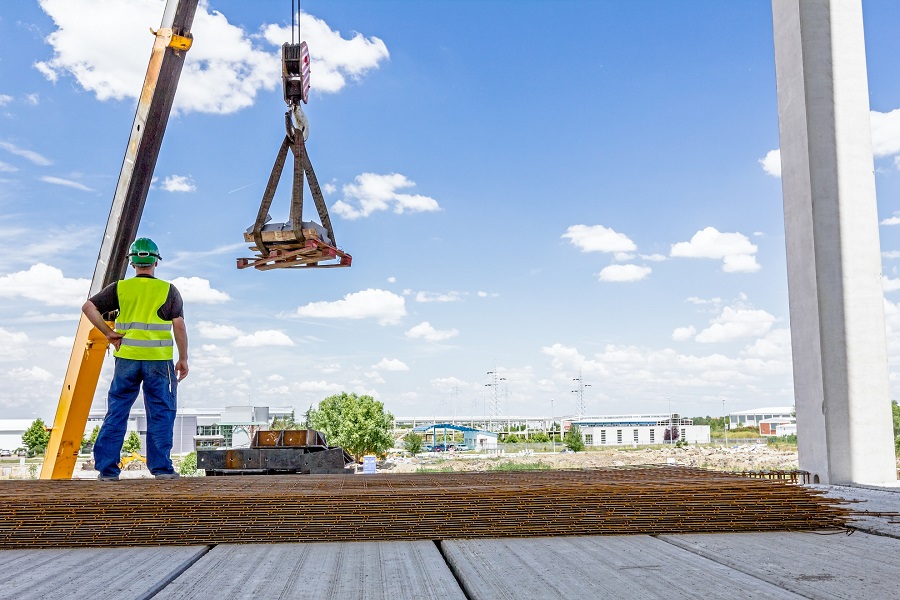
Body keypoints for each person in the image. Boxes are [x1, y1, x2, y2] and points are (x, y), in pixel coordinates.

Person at [82, 237, 189, 481]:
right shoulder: (168, 290)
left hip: (127, 359)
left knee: (117, 411)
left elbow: (88, 307)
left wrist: (109, 333)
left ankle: (108, 471)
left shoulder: (120, 288)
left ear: (132, 263)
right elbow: (179, 327)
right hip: (159, 362)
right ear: (156, 263)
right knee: (161, 412)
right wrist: (183, 358)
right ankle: (161, 469)